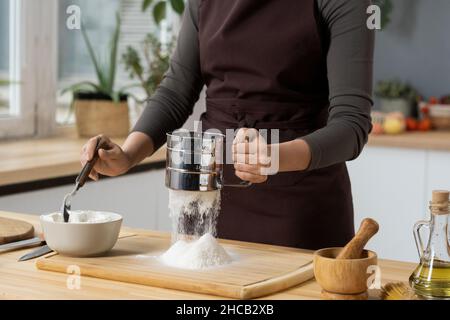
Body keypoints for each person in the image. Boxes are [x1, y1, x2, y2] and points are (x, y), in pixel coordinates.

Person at [81, 0, 374, 250]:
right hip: (208, 197)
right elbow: (176, 91)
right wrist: (128, 155)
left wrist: (273, 158)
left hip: (298, 208)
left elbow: (352, 124)